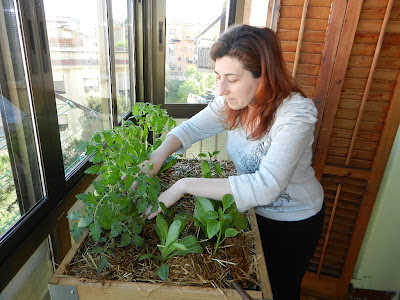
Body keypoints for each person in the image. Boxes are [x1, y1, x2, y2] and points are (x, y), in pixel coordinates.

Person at [144, 24, 324, 299]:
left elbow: (266, 187)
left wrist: (183, 185)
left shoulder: (295, 114)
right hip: (249, 213)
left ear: (263, 76)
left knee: (280, 290)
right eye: (218, 76)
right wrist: (159, 154)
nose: (221, 89)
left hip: (291, 222)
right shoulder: (234, 103)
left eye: (232, 78)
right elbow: (190, 130)